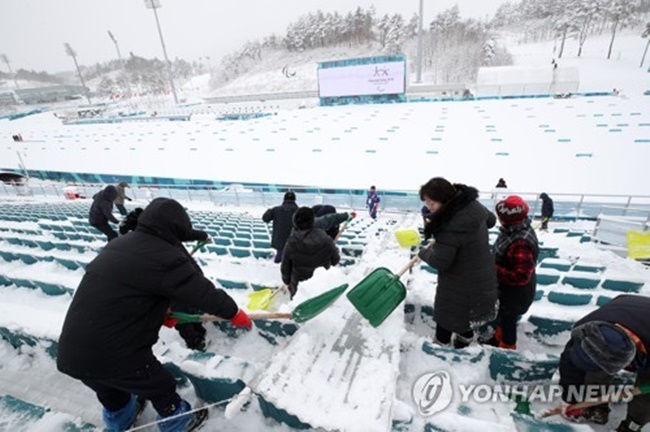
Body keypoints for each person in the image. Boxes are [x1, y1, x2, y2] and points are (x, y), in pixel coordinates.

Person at [57, 198, 252, 432]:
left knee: (109, 389)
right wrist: (234, 312)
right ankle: (178, 420)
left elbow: (125, 293)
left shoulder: (119, 244)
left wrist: (161, 312)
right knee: (159, 384)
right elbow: (202, 292)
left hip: (73, 351)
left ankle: (119, 419)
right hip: (115, 353)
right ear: (175, 228)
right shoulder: (165, 256)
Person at [418, 177, 498, 349]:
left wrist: (423, 253)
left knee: (448, 314)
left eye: (432, 204)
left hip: (459, 281)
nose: (429, 208)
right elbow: (491, 221)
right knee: (462, 316)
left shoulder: (448, 225)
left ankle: (440, 346)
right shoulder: (471, 205)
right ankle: (464, 341)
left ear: (445, 200)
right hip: (480, 273)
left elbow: (441, 261)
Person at [558, 295, 650, 432]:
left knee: (646, 394)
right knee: (596, 369)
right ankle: (596, 407)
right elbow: (569, 368)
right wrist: (573, 400)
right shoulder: (585, 332)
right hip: (625, 310)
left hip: (644, 332)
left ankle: (632, 425)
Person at [485, 195, 538, 350]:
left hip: (516, 293)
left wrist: (491, 268)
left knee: (509, 321)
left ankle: (507, 349)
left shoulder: (521, 242)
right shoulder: (515, 229)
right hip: (507, 290)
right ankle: (496, 340)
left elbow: (520, 276)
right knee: (504, 317)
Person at [281, 207, 341, 299]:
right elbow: (335, 260)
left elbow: (285, 267)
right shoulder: (326, 238)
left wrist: (287, 281)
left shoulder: (291, 242)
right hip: (321, 286)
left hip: (299, 288)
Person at [262, 191, 299, 263]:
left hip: (279, 239)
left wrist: (270, 210)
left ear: (284, 199)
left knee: (279, 258)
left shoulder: (276, 210)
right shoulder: (299, 211)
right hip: (294, 240)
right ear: (294, 200)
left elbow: (265, 218)